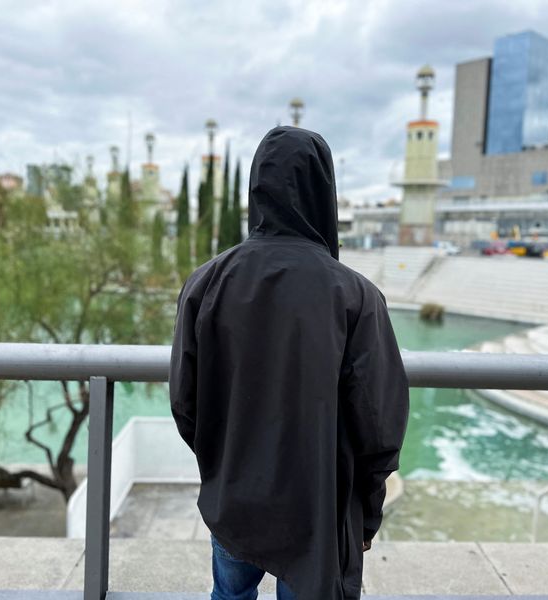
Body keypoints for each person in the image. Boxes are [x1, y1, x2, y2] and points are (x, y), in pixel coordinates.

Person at [169, 126, 409, 600]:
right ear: (325, 190)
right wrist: (369, 508)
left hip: (234, 498)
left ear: (257, 186)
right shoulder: (355, 295)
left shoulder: (207, 283)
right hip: (316, 507)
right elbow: (378, 423)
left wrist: (222, 465)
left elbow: (185, 400)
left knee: (230, 596)